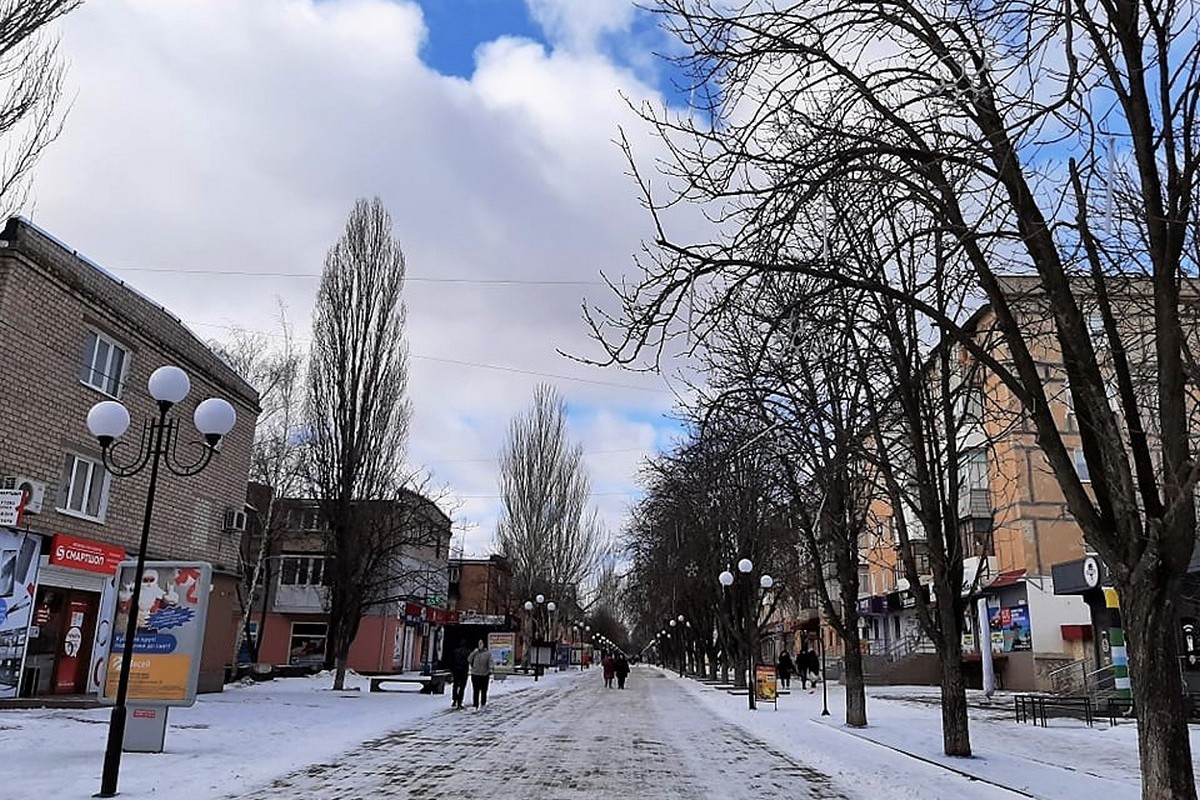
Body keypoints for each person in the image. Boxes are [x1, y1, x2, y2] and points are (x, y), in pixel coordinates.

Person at [469, 639, 493, 710]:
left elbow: (490, 662)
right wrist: (474, 653)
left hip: (484, 674)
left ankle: (483, 703)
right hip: (475, 673)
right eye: (479, 643)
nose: (480, 645)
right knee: (475, 690)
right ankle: (475, 704)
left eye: (481, 643)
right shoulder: (475, 652)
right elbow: (469, 659)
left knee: (484, 690)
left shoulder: (488, 653)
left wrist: (491, 668)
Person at [449, 639, 472, 710]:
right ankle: (459, 702)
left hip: (456, 670)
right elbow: (470, 660)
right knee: (462, 687)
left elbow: (451, 660)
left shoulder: (455, 651)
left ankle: (454, 700)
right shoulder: (468, 652)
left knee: (455, 685)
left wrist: (452, 669)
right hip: (464, 671)